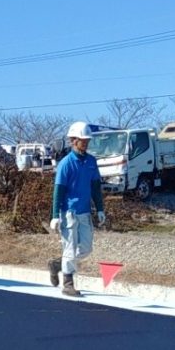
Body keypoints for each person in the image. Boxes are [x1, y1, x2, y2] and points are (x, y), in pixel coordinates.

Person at [48, 121, 105, 297]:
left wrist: (100, 209)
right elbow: (59, 190)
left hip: (85, 211)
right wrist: (55, 215)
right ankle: (68, 283)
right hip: (69, 213)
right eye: (82, 140)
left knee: (86, 248)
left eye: (87, 140)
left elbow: (96, 186)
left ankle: (57, 264)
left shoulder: (91, 162)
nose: (85, 143)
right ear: (73, 140)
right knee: (69, 249)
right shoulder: (66, 164)